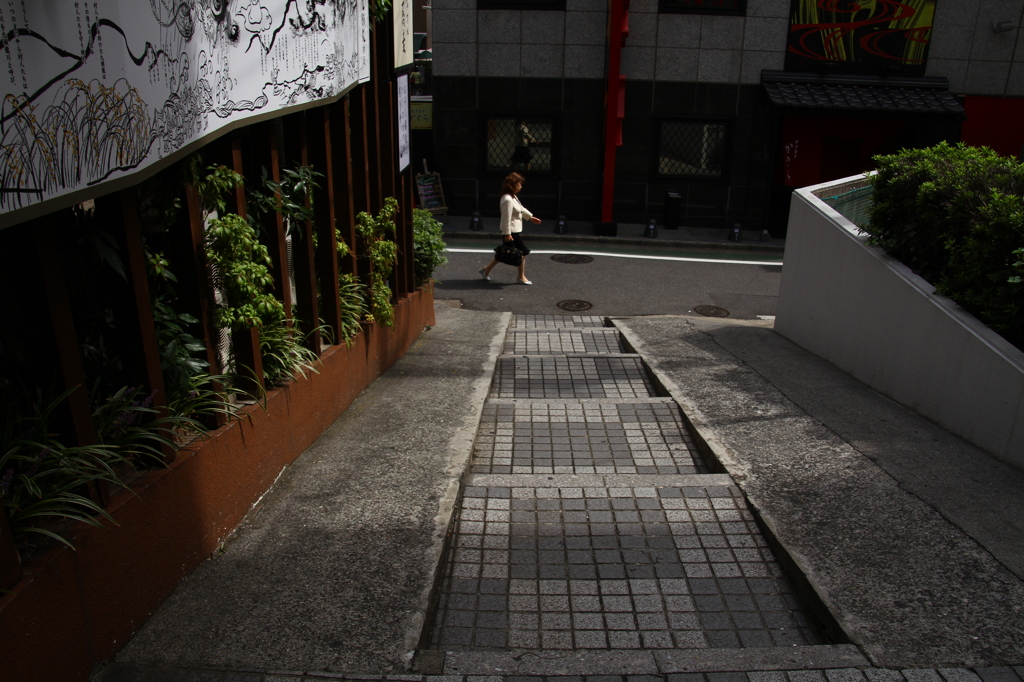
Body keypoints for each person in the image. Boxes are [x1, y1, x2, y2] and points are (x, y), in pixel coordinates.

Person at [479, 172, 541, 285]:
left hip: (514, 230)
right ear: (513, 184)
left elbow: (521, 209)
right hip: (511, 231)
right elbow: (506, 217)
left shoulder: (512, 196)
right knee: (522, 252)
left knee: (503, 253)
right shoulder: (507, 199)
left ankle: (485, 270)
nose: (521, 186)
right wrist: (507, 233)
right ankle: (521, 277)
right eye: (519, 184)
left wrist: (531, 217)